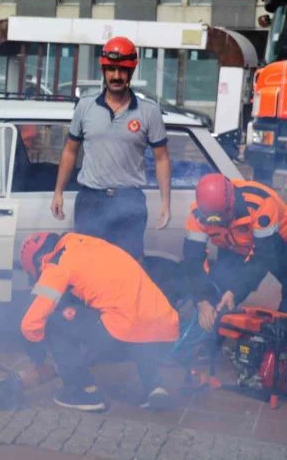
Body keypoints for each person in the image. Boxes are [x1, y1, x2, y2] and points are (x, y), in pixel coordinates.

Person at [19, 232, 179, 412]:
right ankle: (155, 387)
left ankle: (83, 390)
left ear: (40, 260)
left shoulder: (57, 264)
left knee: (53, 321)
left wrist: (37, 357)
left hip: (124, 335)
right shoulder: (90, 244)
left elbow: (30, 323)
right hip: (166, 333)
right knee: (135, 314)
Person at [50, 36, 172, 261]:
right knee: (86, 267)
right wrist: (58, 192)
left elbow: (162, 158)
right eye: (112, 69)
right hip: (91, 202)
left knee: (127, 269)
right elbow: (70, 151)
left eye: (123, 70)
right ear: (103, 70)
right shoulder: (85, 107)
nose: (116, 76)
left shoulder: (149, 112)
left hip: (129, 203)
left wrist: (166, 201)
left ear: (131, 72)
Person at [183, 174, 287, 332]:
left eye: (221, 216)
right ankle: (211, 346)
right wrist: (202, 299)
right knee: (216, 293)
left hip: (277, 243)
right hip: (236, 246)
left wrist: (236, 290)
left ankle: (281, 338)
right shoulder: (197, 215)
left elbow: (264, 257)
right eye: (211, 219)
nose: (217, 223)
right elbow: (192, 261)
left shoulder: (260, 203)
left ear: (232, 204)